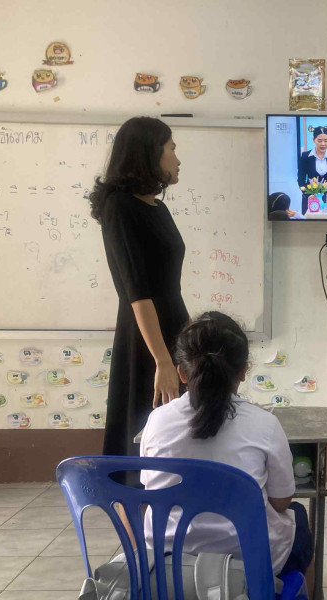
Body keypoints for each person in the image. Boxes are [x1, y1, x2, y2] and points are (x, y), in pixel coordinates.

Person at [140, 312, 313, 577]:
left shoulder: (156, 421)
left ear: (182, 373)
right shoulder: (265, 424)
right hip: (247, 566)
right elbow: (281, 502)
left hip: (169, 565)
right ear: (243, 371)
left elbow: (150, 491)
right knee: (298, 517)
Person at [90, 116, 188, 463]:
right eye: (171, 149)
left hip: (174, 330)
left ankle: (174, 495)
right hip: (147, 337)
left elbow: (167, 284)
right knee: (143, 428)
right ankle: (137, 498)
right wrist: (162, 360)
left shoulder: (158, 208)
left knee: (177, 432)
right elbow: (138, 292)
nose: (177, 159)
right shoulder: (120, 207)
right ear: (149, 153)